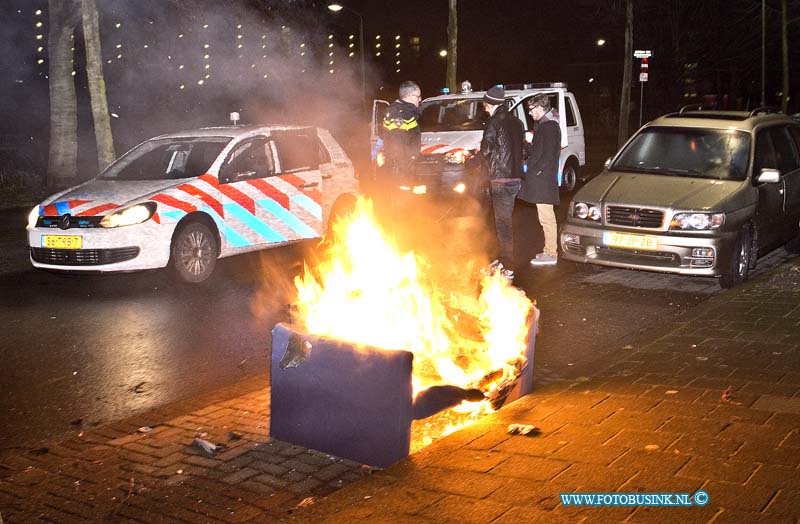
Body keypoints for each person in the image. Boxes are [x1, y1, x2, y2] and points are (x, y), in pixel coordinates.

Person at [479, 85, 524, 268]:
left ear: (489, 104)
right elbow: (522, 149)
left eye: (484, 105)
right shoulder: (517, 122)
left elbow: (487, 149)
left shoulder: (494, 122)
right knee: (504, 218)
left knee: (502, 222)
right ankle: (503, 256)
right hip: (515, 177)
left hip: (500, 178)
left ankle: (507, 261)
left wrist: (471, 162)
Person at [519, 94, 561, 266]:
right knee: (545, 217)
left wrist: (536, 171)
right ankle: (548, 250)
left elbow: (549, 155)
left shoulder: (549, 127)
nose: (529, 113)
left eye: (531, 109)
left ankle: (551, 253)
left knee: (547, 218)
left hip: (543, 180)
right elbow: (539, 151)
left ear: (540, 108)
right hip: (541, 178)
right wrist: (530, 144)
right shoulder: (543, 125)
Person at [379, 81, 422, 179]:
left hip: (406, 164)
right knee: (403, 191)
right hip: (401, 167)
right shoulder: (399, 114)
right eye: (418, 96)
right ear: (410, 95)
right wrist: (404, 165)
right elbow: (396, 142)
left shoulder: (406, 112)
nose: (420, 99)